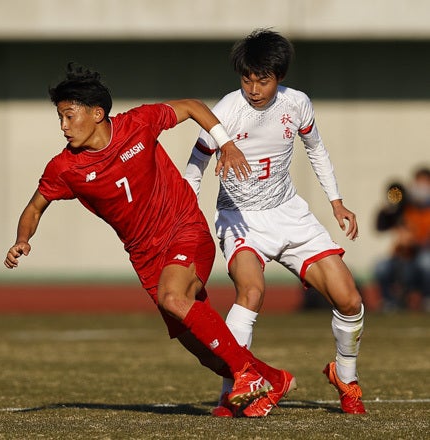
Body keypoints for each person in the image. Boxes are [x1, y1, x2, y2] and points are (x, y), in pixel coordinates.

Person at [4, 62, 294, 416]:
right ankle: (272, 379)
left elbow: (191, 106)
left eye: (69, 116)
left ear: (97, 113)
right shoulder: (65, 168)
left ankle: (246, 375)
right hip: (146, 258)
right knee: (203, 349)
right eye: (60, 119)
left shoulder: (137, 124)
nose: (63, 126)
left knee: (173, 297)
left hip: (184, 229)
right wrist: (22, 239)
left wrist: (226, 144)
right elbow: (35, 207)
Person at [184, 29, 365, 416]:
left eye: (262, 79)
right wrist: (186, 210)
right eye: (246, 78)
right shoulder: (228, 110)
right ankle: (233, 388)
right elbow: (197, 162)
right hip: (240, 218)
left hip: (290, 214)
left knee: (350, 300)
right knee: (251, 292)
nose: (253, 88)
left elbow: (316, 149)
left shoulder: (297, 104)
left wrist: (337, 202)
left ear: (278, 76)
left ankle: (346, 379)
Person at [375, 168, 430, 311]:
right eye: (418, 182)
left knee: (426, 262)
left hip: (421, 253)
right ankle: (390, 302)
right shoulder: (407, 206)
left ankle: (426, 298)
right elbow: (381, 225)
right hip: (401, 254)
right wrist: (388, 209)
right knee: (381, 266)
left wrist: (414, 241)